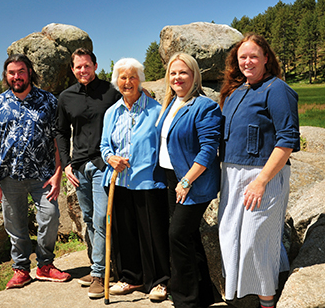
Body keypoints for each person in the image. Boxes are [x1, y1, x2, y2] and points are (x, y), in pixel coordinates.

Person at [0, 53, 71, 290]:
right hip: (9, 177)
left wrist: (58, 173)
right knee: (15, 225)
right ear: (6, 76)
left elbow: (57, 140)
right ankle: (21, 269)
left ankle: (45, 265)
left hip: (43, 175)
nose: (16, 76)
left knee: (50, 217)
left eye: (21, 71)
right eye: (12, 72)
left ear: (30, 72)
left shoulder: (49, 101)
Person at [218, 34, 300, 308]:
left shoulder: (277, 89)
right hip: (231, 174)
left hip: (263, 175)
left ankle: (267, 301)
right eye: (243, 57)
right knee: (230, 236)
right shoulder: (235, 92)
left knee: (257, 240)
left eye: (254, 56)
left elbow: (287, 140)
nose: (248, 61)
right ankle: (239, 296)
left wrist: (261, 181)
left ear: (266, 58)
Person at [100, 58, 170, 300]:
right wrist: (110, 158)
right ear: (116, 81)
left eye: (132, 77)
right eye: (122, 77)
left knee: (153, 233)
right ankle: (130, 278)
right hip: (118, 182)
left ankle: (159, 282)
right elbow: (104, 145)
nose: (127, 82)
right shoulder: (111, 113)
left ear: (140, 80)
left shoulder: (157, 109)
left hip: (149, 180)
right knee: (125, 233)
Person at [156, 52, 221, 307]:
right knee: (189, 236)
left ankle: (185, 300)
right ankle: (204, 294)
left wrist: (187, 181)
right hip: (171, 178)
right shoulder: (171, 103)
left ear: (194, 76)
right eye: (173, 73)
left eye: (183, 72)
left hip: (193, 181)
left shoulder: (204, 106)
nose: (177, 77)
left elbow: (208, 149)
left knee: (178, 235)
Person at [56, 48, 121, 298]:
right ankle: (101, 267)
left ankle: (99, 272)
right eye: (78, 67)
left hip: (104, 165)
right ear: (73, 70)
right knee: (89, 219)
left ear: (95, 65)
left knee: (101, 218)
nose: (83, 70)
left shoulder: (110, 92)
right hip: (79, 166)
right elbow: (60, 131)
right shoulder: (66, 97)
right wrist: (66, 163)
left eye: (87, 66)